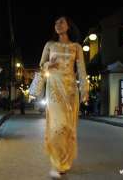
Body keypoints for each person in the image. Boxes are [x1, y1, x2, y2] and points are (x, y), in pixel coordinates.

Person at [39, 16, 89, 178]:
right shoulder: (50, 45)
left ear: (68, 26)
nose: (57, 25)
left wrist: (84, 90)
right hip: (54, 89)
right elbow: (41, 66)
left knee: (68, 128)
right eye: (55, 23)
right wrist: (49, 65)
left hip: (70, 92)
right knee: (56, 127)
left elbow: (81, 70)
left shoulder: (76, 47)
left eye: (61, 22)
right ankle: (57, 162)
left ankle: (65, 162)